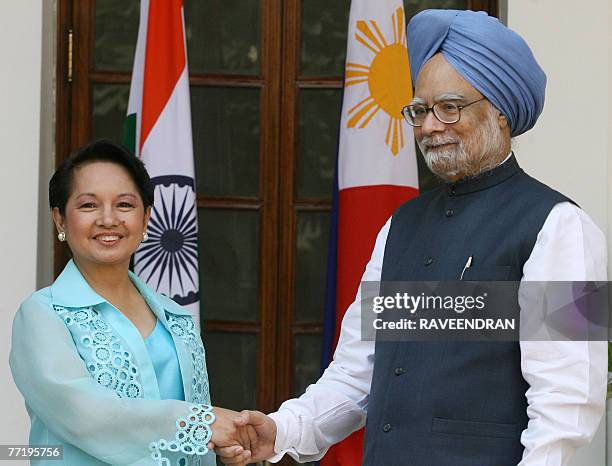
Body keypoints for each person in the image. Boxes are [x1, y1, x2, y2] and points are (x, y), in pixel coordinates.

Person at [213, 9, 608, 466]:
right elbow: (356, 375)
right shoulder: (400, 226)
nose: (429, 126)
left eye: (449, 107)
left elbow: (568, 407)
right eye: (420, 110)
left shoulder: (563, 227)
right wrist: (283, 429)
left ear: (500, 110)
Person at [9, 140, 255, 465]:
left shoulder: (177, 318)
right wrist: (200, 423)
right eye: (88, 206)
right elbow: (85, 415)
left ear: (146, 218)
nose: (108, 219)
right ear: (60, 220)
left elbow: (199, 434)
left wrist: (224, 450)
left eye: (124, 205)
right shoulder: (42, 315)